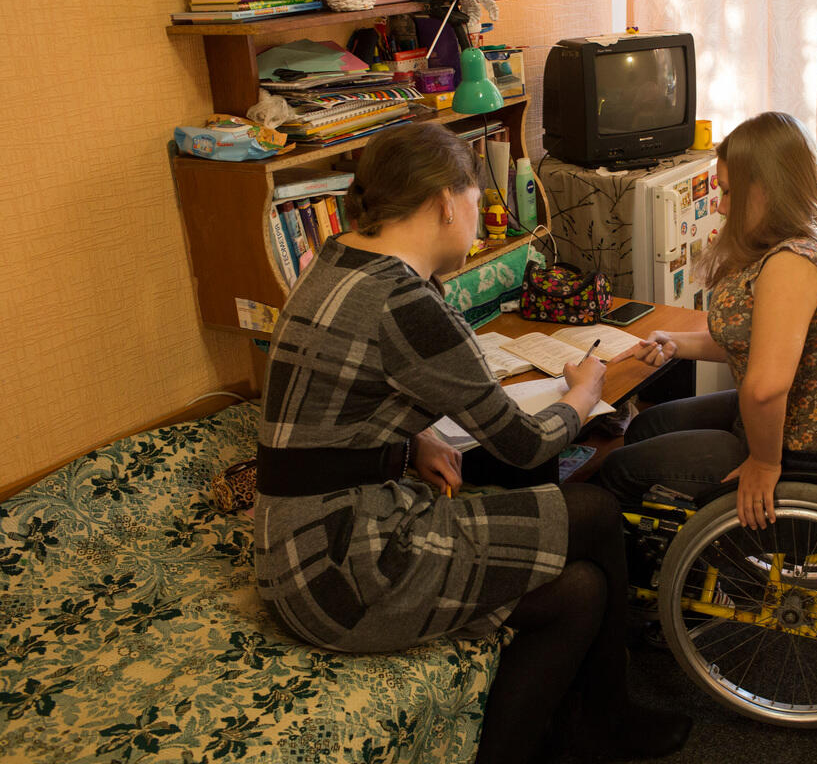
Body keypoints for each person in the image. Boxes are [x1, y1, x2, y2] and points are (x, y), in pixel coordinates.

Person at [253, 123, 691, 763]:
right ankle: (610, 715)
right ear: (442, 203)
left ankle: (571, 730)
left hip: (293, 552)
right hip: (343, 571)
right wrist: (585, 390)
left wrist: (413, 443)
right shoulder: (410, 306)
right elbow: (524, 446)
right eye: (472, 198)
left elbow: (345, 398)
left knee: (580, 592)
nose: (479, 221)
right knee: (592, 513)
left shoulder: (337, 262)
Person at [595, 111, 817, 530]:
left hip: (792, 446)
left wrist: (764, 464)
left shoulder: (792, 263)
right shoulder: (810, 241)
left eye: (729, 193)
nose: (722, 206)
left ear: (767, 189)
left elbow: (765, 390)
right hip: (801, 423)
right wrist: (677, 342)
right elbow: (760, 340)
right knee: (649, 425)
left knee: (617, 468)